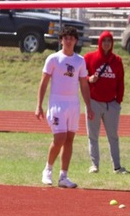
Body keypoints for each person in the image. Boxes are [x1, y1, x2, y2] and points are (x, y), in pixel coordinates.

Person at [35, 26, 94, 189]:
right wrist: (38, 105)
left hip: (73, 104)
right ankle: (47, 169)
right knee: (59, 138)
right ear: (61, 40)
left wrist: (88, 105)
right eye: (65, 38)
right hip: (57, 103)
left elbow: (84, 84)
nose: (68, 41)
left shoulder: (80, 61)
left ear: (75, 41)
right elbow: (44, 82)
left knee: (69, 139)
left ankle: (63, 176)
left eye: (72, 38)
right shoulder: (53, 59)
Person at [84, 31, 128, 174]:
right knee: (93, 135)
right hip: (94, 102)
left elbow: (120, 82)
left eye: (109, 40)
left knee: (113, 136)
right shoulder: (89, 58)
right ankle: (94, 165)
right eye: (104, 40)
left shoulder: (117, 60)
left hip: (111, 104)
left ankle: (117, 166)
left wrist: (118, 101)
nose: (107, 43)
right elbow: (81, 76)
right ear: (100, 42)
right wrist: (89, 79)